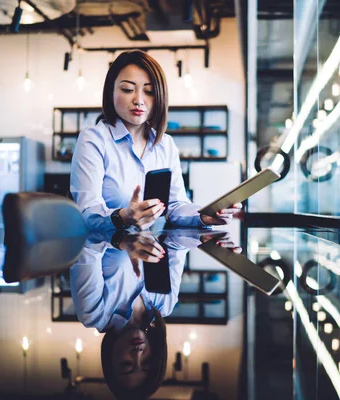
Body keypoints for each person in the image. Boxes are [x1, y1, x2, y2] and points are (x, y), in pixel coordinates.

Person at [70, 50, 242, 231]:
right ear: (110, 92)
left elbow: (175, 206)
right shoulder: (94, 139)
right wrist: (124, 216)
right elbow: (87, 212)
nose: (139, 100)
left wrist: (203, 216)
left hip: (153, 252)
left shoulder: (165, 144)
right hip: (106, 252)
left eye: (149, 91)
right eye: (128, 89)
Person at [70, 229, 240, 398]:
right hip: (155, 206)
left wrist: (122, 239)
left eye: (126, 364)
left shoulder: (94, 312)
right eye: (146, 363)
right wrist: (201, 238)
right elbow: (174, 245)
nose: (137, 354)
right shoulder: (164, 305)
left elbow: (85, 244)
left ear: (110, 358)